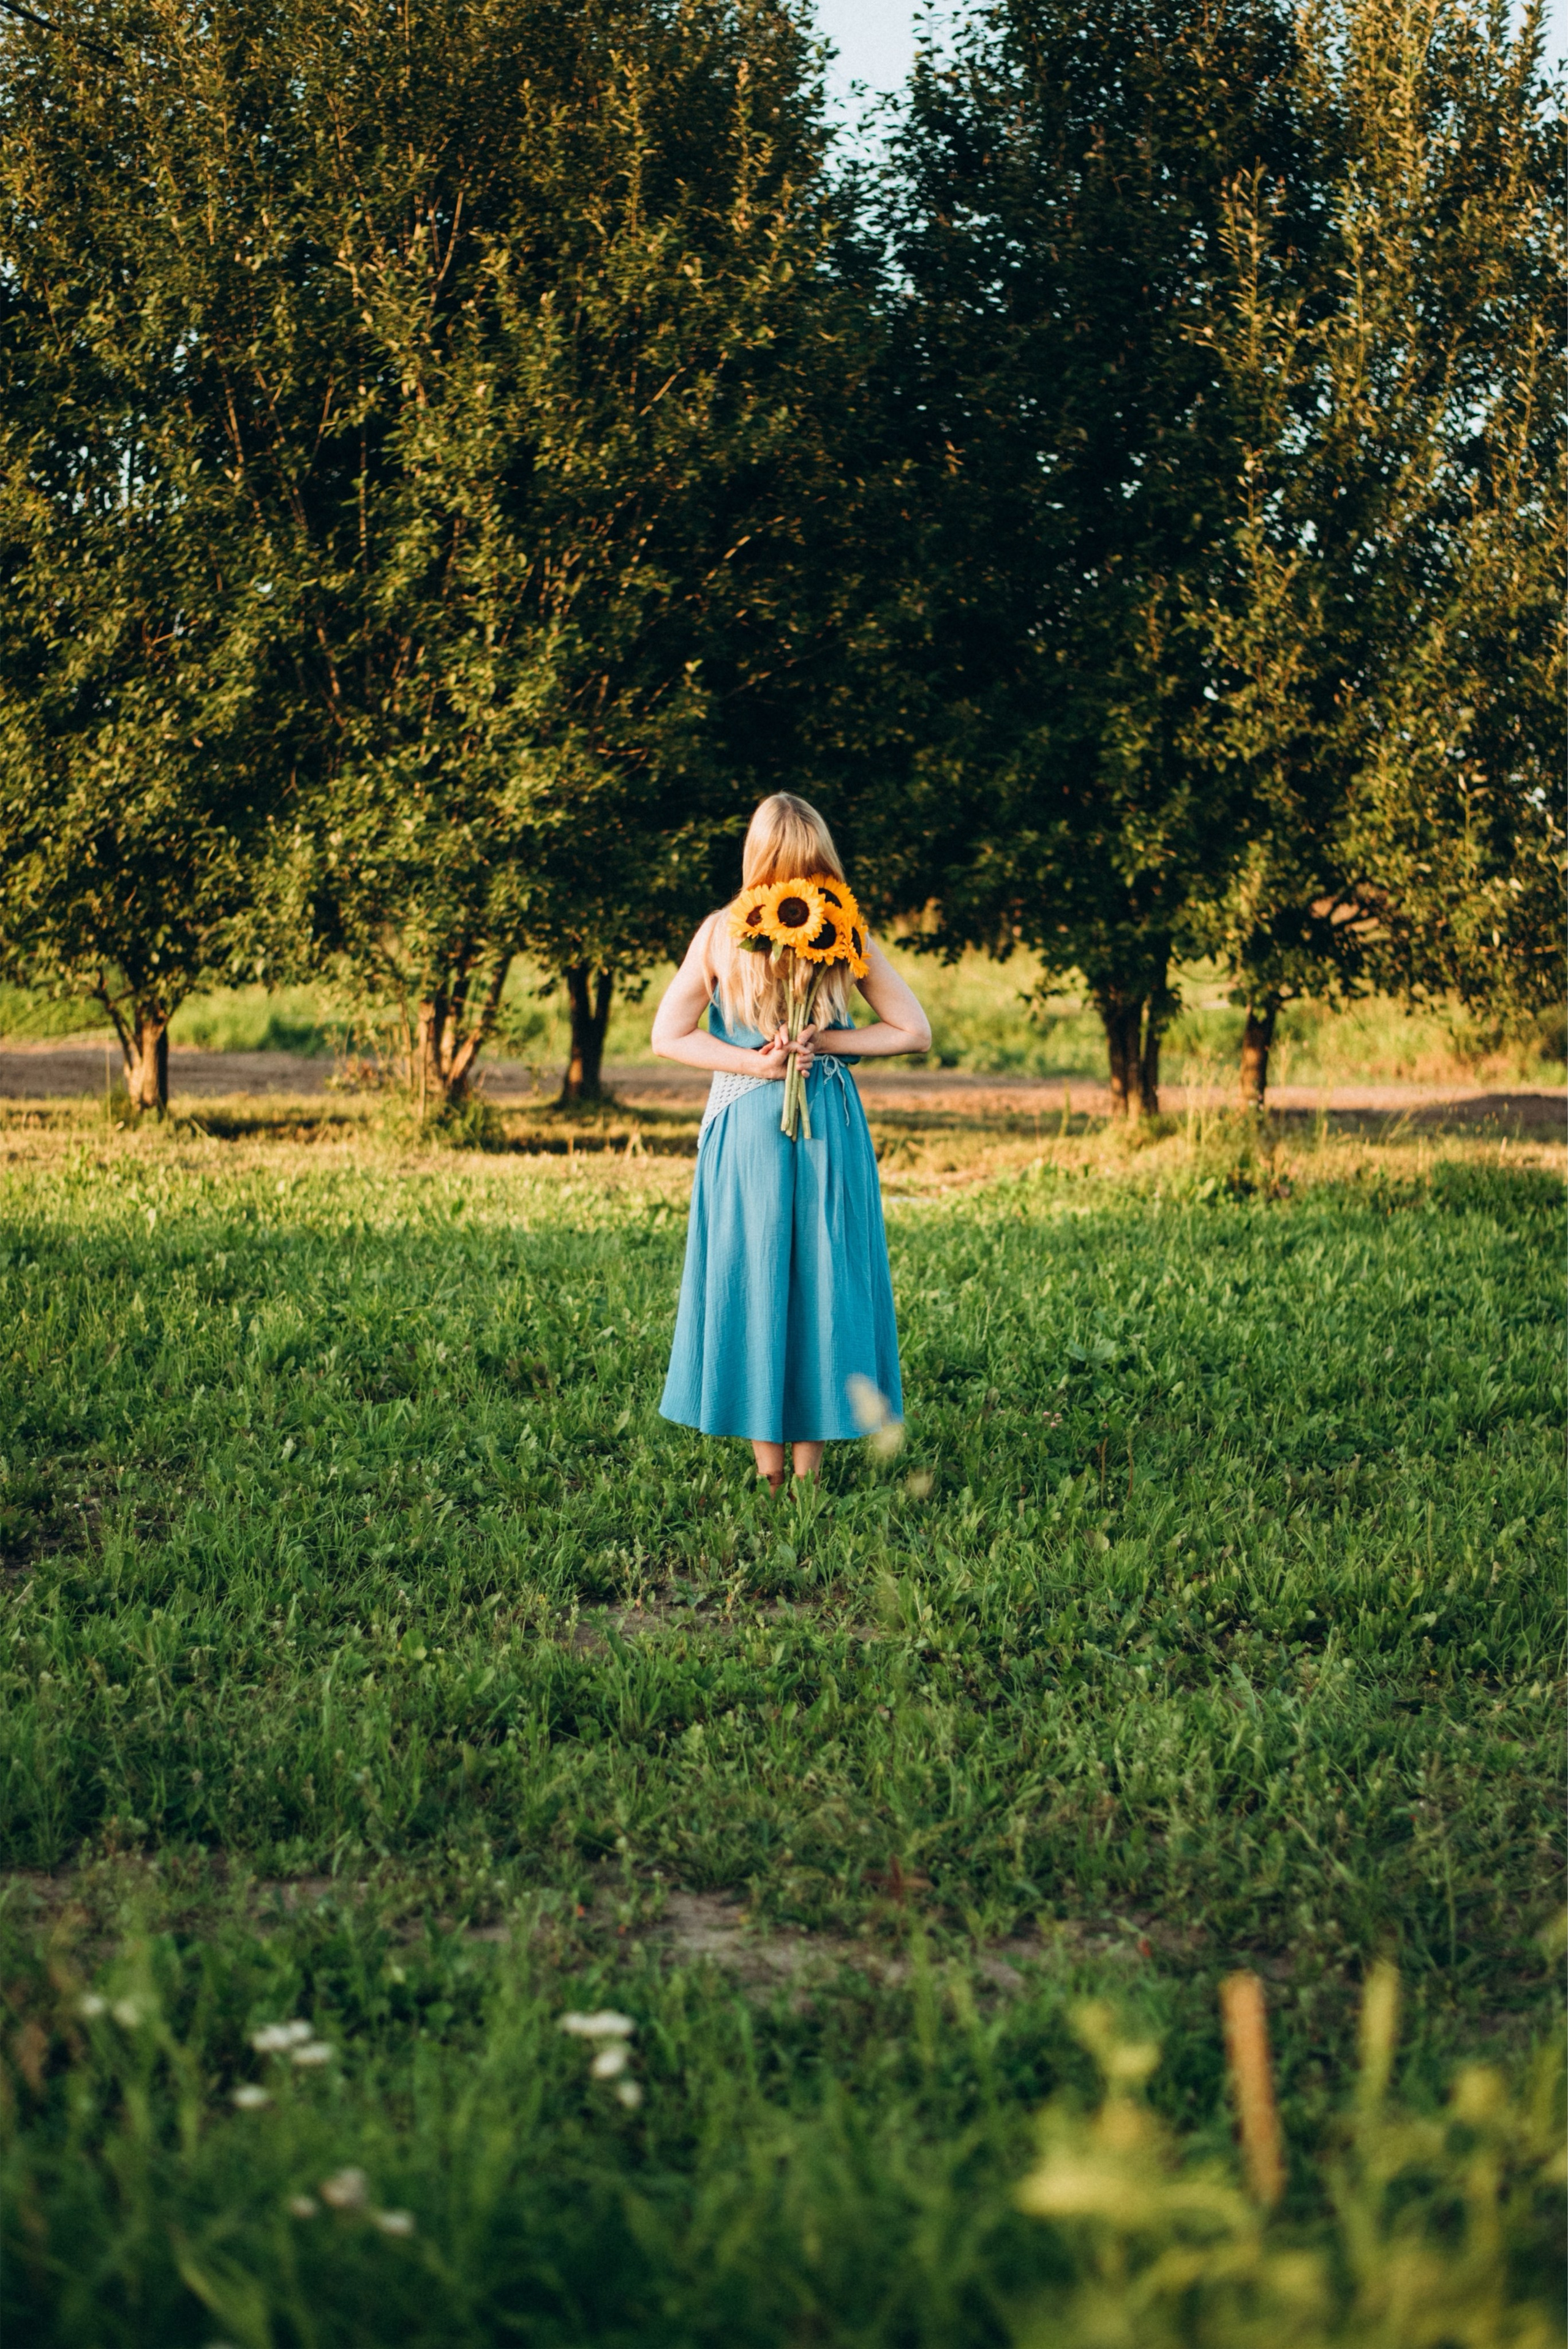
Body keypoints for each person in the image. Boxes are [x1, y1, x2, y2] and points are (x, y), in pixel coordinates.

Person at [652, 793, 932, 1493]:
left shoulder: (723, 931)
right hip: (816, 1124)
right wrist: (814, 1048)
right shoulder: (841, 929)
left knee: (755, 1280)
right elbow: (911, 1030)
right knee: (820, 1281)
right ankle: (802, 1476)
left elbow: (669, 1034)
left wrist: (762, 1058)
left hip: (750, 1121)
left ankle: (774, 1474)